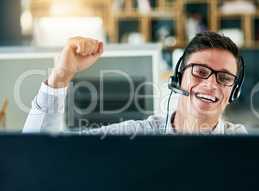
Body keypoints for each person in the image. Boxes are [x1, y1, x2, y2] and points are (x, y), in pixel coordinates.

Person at [23, 32, 247, 134]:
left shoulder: (243, 146)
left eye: (224, 78)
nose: (210, 84)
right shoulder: (135, 136)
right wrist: (60, 77)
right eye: (200, 71)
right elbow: (42, 153)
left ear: (233, 90)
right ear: (179, 77)